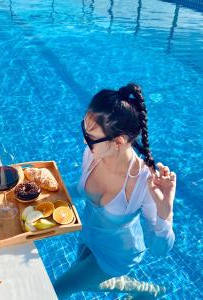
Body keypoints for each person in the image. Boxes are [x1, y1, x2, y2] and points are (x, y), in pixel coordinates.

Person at [54, 83, 176, 299]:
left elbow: (159, 250)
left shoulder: (144, 183)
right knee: (84, 281)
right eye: (84, 129)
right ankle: (146, 290)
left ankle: (145, 289)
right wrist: (49, 192)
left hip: (118, 253)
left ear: (118, 142)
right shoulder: (92, 154)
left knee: (58, 290)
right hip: (89, 235)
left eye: (90, 136)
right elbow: (81, 189)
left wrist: (165, 212)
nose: (84, 140)